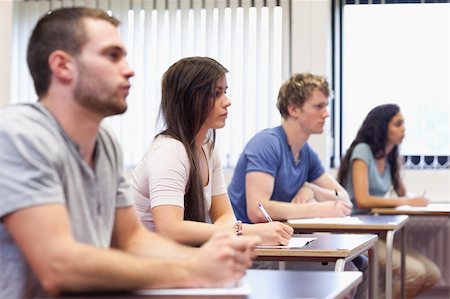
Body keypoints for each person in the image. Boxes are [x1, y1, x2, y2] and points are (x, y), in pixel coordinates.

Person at [0, 8, 259, 299]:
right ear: (62, 66)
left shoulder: (104, 141)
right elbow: (58, 265)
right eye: (112, 56)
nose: (129, 69)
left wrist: (212, 260)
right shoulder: (17, 134)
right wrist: (191, 270)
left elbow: (133, 239)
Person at [227, 73, 368, 299]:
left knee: (361, 263)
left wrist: (310, 188)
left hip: (282, 243)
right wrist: (318, 207)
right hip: (255, 251)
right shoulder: (267, 143)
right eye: (319, 106)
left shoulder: (305, 152)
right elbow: (257, 209)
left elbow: (343, 199)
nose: (326, 113)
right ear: (293, 109)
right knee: (347, 273)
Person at [131, 57, 293, 246]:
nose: (227, 102)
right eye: (216, 94)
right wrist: (246, 231)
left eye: (225, 92)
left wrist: (235, 231)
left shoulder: (207, 148)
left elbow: (224, 215)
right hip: (147, 266)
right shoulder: (170, 151)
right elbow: (170, 230)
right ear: (190, 100)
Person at [337, 103, 441, 298]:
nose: (404, 129)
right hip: (357, 233)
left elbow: (403, 194)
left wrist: (416, 199)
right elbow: (363, 199)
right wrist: (408, 202)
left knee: (432, 275)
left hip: (378, 230)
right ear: (382, 126)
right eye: (398, 123)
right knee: (415, 273)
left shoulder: (391, 155)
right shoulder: (362, 151)